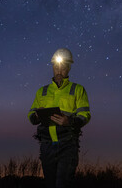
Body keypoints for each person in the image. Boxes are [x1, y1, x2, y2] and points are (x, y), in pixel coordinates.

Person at [27, 48, 91, 188]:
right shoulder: (42, 91)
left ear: (68, 68)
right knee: (50, 184)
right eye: (56, 66)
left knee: (63, 184)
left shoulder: (78, 89)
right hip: (47, 145)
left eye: (62, 67)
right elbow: (31, 116)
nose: (59, 70)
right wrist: (37, 115)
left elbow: (85, 115)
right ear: (52, 67)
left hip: (67, 144)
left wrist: (70, 121)